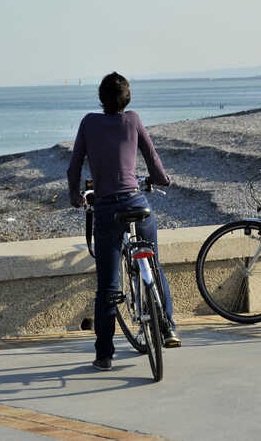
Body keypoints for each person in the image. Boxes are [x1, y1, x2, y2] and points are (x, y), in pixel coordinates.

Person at [67, 72, 180, 371]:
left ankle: (104, 354)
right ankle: (168, 327)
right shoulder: (134, 120)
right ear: (126, 98)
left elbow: (74, 165)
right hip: (135, 202)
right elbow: (152, 158)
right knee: (153, 265)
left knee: (107, 286)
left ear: (101, 98)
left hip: (106, 209)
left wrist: (75, 195)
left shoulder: (89, 122)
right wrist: (162, 180)